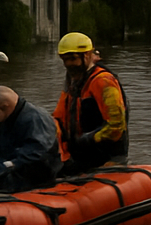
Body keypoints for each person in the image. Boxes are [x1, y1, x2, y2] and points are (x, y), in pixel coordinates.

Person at [53, 31, 128, 175]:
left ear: (87, 55)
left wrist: (88, 139)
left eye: (73, 59)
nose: (68, 64)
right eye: (65, 59)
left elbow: (116, 126)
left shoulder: (104, 81)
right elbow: (59, 116)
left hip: (105, 156)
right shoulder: (72, 81)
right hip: (79, 155)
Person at [0, 85, 62, 192]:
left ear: (5, 106)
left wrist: (12, 163)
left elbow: (38, 148)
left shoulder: (36, 118)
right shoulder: (8, 121)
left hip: (38, 175)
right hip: (17, 172)